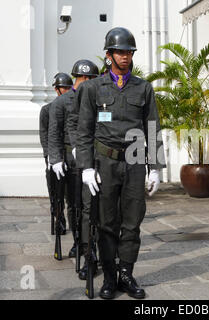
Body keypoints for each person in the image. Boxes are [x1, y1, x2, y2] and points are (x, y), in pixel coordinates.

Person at [76, 27, 166, 300]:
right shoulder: (92, 88)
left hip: (136, 159)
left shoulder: (143, 87)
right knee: (106, 223)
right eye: (120, 52)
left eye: (129, 52)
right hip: (105, 161)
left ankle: (126, 273)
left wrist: (156, 167)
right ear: (109, 55)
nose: (125, 57)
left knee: (132, 221)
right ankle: (109, 277)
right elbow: (84, 130)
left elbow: (153, 128)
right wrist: (86, 167)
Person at [48, 60, 99, 258]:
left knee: (91, 204)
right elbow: (54, 132)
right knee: (74, 203)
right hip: (70, 158)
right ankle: (78, 240)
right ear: (84, 78)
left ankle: (91, 244)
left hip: (92, 156)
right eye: (90, 79)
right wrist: (55, 159)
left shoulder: (95, 97)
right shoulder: (61, 102)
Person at [39, 73, 73, 234]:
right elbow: (45, 135)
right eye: (63, 87)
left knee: (70, 194)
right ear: (56, 89)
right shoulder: (46, 110)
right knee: (55, 194)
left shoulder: (74, 107)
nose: (66, 90)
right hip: (54, 156)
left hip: (69, 155)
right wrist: (49, 158)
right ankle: (59, 218)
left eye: (68, 87)